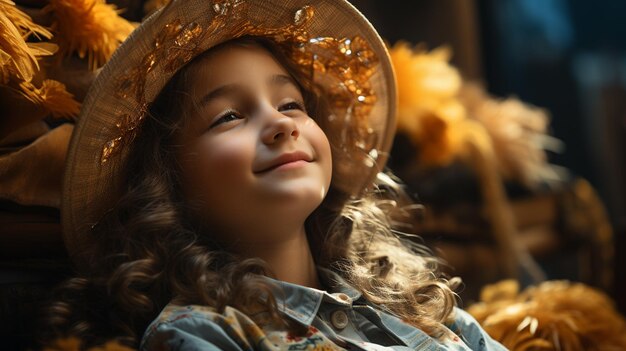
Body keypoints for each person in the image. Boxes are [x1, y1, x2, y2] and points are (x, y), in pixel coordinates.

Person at [49, 0, 507, 350]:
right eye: (228, 116)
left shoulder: (420, 308)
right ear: (164, 181)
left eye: (291, 104)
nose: (282, 123)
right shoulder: (203, 333)